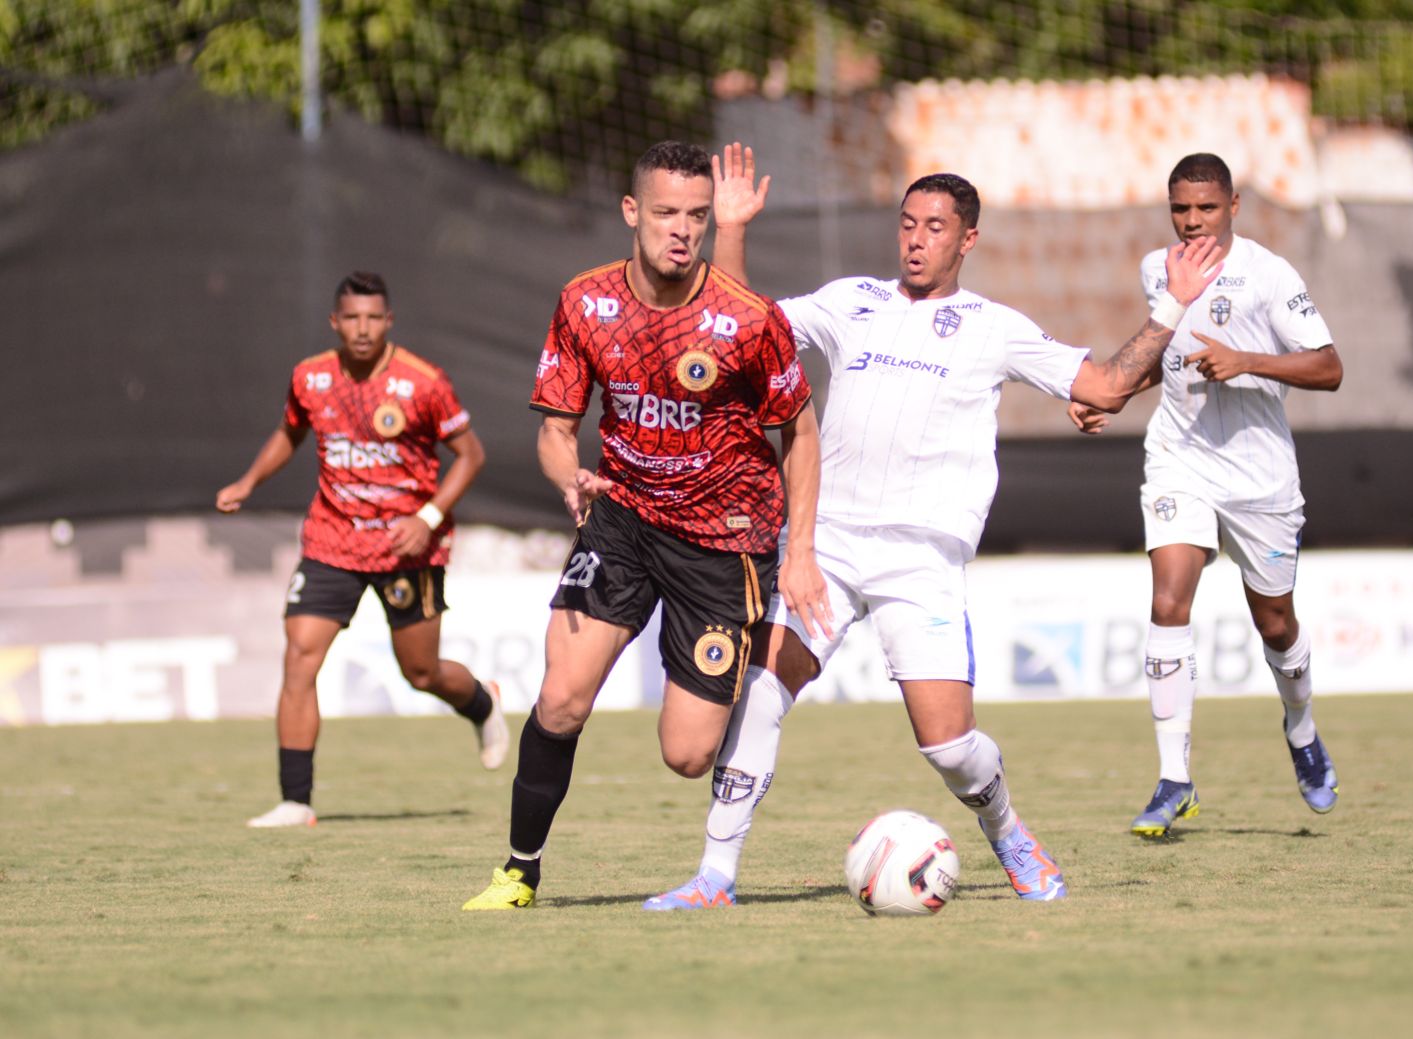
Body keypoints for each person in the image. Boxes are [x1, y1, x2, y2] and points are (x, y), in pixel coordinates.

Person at [641, 144, 1222, 910]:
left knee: (950, 747)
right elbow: (744, 334)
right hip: (827, 545)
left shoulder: (993, 328)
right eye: (908, 223)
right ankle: (715, 875)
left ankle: (1008, 829)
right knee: (761, 690)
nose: (916, 239)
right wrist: (734, 228)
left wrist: (1173, 307)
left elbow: (1108, 387)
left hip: (921, 559)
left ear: (966, 240)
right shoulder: (852, 301)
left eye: (935, 227)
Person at [461, 141, 827, 911]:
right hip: (621, 517)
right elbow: (557, 431)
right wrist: (570, 479)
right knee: (560, 698)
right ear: (632, 212)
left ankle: (754, 666)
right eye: (666, 213)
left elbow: (800, 429)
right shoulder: (584, 302)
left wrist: (798, 551)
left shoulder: (745, 318)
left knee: (687, 755)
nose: (682, 230)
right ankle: (519, 871)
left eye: (697, 216)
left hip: (724, 539)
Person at [1070, 152, 1344, 837]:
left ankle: (1302, 728)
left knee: (1275, 622)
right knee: (1168, 601)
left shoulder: (1270, 275)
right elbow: (1169, 359)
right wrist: (1115, 395)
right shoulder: (1155, 269)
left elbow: (1330, 367)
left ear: (1233, 207)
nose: (1193, 222)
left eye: (1206, 208)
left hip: (1259, 477)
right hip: (1179, 458)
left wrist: (1247, 360)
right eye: (1181, 209)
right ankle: (1174, 780)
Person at [216, 270, 508, 829]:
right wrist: (248, 482)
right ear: (335, 322)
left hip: (407, 546)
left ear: (389, 321)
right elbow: (290, 432)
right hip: (332, 539)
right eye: (352, 318)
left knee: (419, 672)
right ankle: (296, 801)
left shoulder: (423, 382)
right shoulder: (310, 377)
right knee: (300, 656)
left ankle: (481, 702)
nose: (363, 328)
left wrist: (426, 518)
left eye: (374, 318)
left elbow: (471, 455)